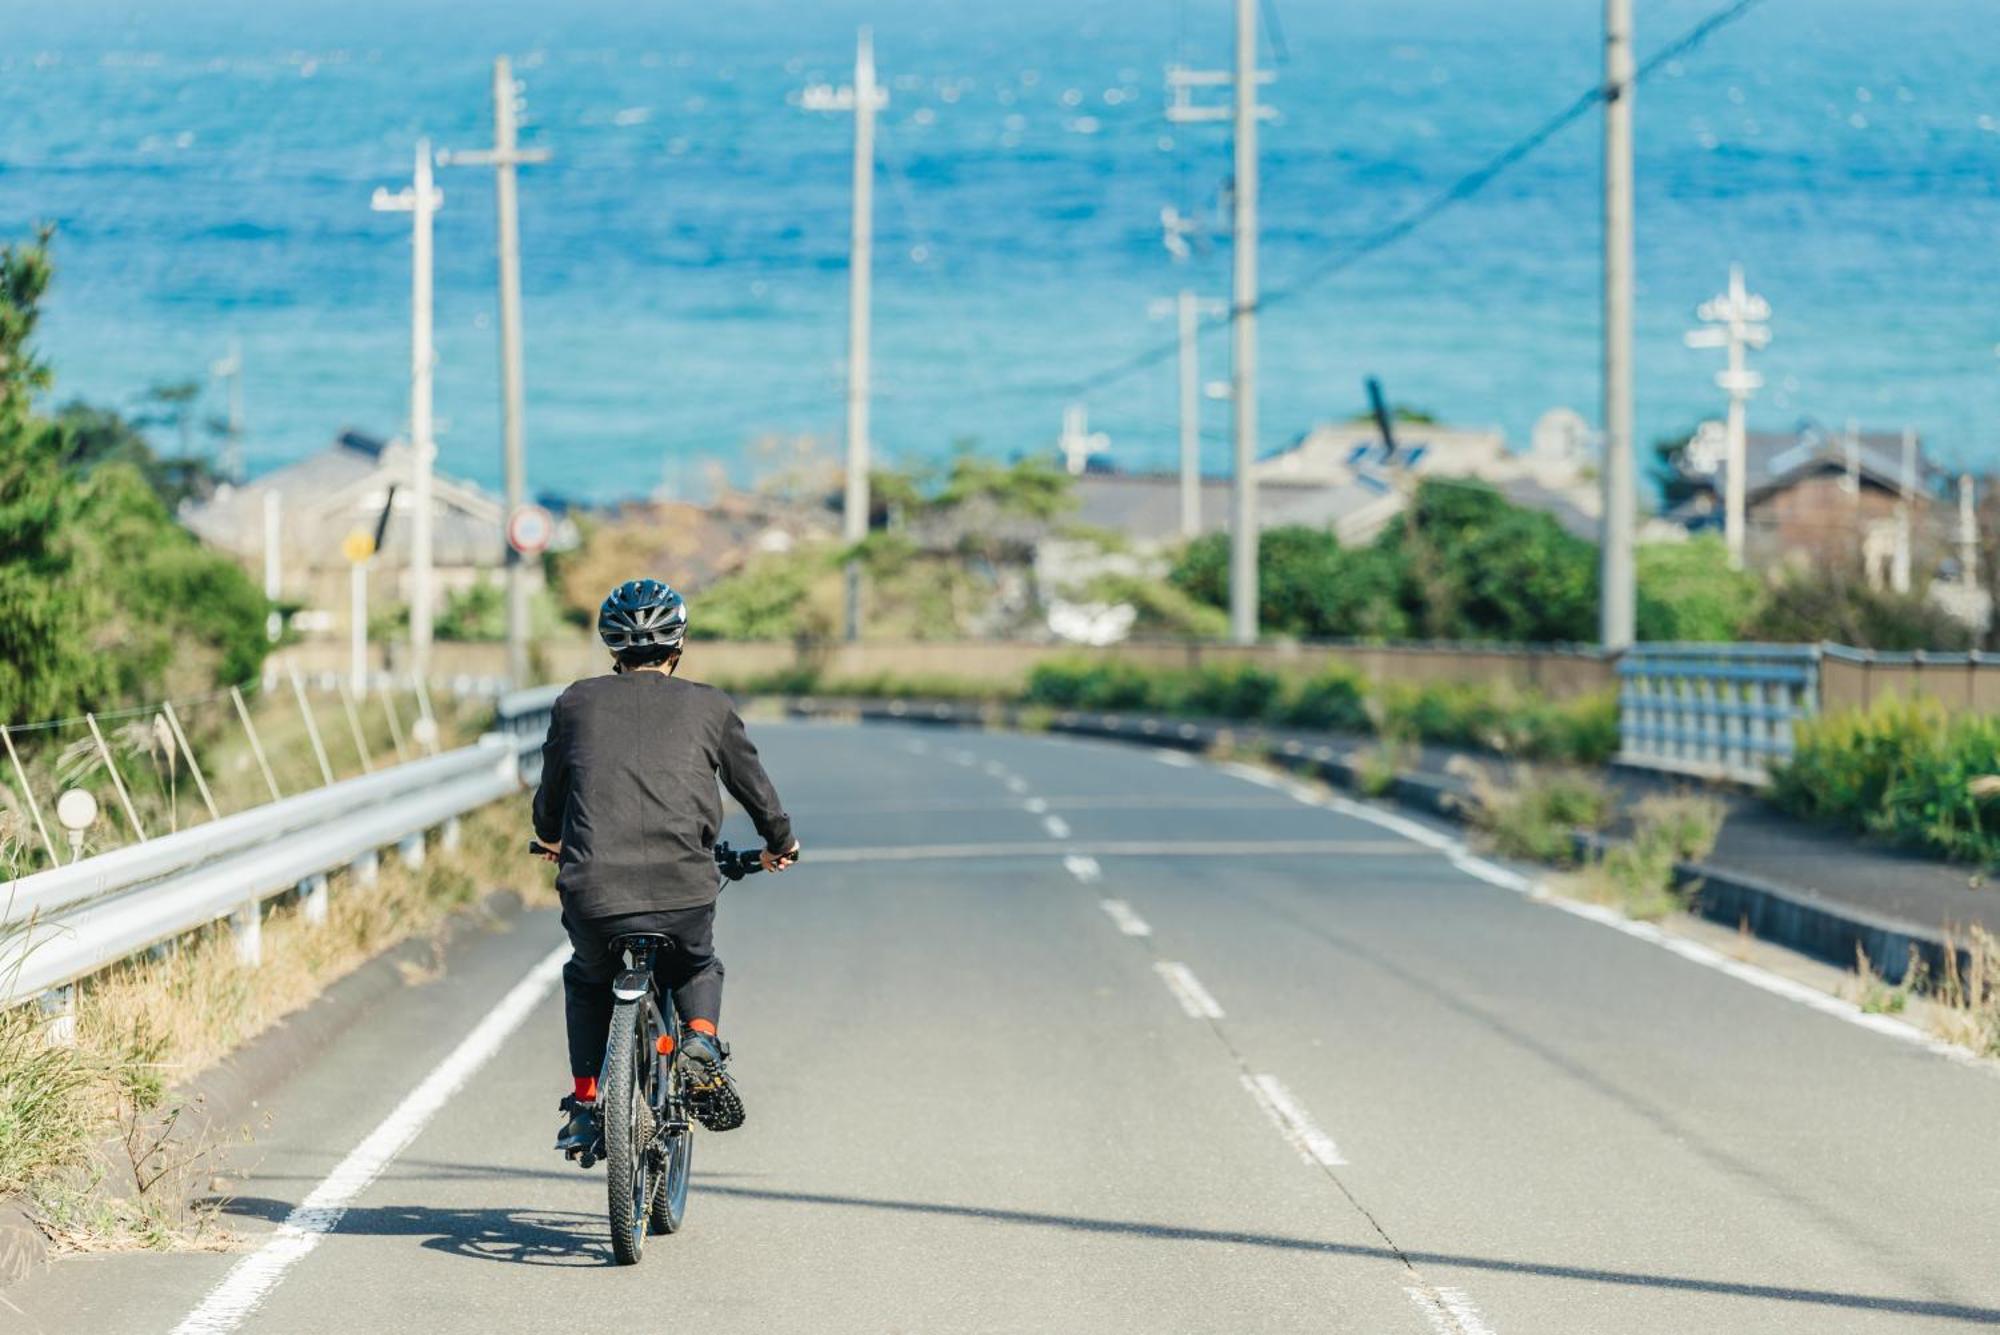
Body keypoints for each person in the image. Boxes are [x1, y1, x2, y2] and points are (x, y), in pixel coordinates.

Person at [531, 578, 799, 1154]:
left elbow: (551, 798)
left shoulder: (575, 702)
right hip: (684, 888)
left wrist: (551, 838)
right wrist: (780, 842)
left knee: (587, 976)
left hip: (594, 891)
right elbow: (755, 789)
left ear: (612, 651)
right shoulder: (710, 705)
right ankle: (700, 1039)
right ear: (678, 646)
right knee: (695, 966)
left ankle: (584, 1102)